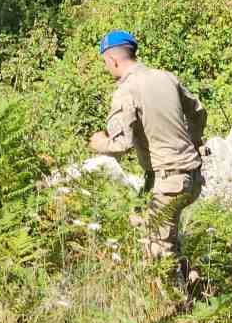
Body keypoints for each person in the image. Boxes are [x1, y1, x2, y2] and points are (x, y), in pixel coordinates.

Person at [87, 30, 207, 273]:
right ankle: (194, 286)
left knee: (155, 252)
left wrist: (98, 142)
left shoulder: (126, 90)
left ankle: (174, 305)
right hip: (192, 178)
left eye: (105, 63)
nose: (107, 68)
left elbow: (121, 145)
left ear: (113, 60)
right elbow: (198, 112)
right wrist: (193, 142)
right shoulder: (165, 77)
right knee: (144, 223)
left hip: (169, 181)